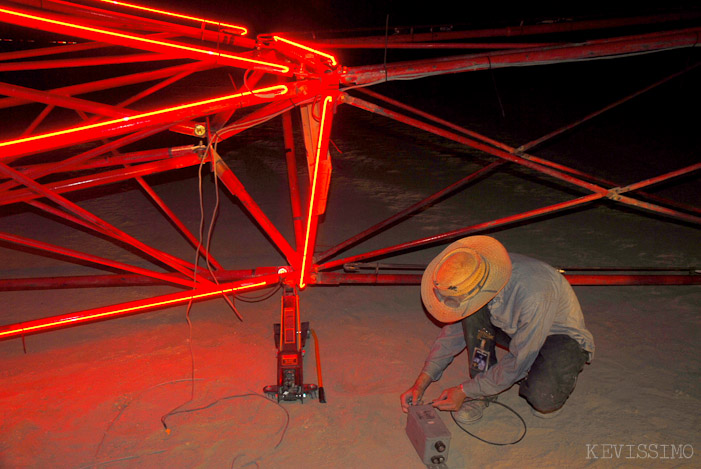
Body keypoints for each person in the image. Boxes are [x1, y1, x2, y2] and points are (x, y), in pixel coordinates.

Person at [400, 235, 594, 424]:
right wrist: (421, 382)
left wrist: (464, 390)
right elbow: (453, 334)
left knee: (543, 398)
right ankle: (485, 386)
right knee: (472, 317)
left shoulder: (533, 294)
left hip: (559, 337)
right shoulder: (475, 277)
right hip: (518, 330)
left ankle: (556, 374)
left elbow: (519, 360)